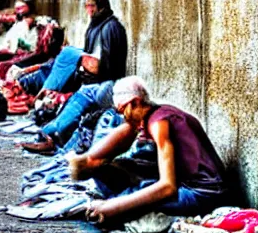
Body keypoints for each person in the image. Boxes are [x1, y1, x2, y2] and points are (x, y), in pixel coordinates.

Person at [70, 76, 228, 224]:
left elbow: (167, 187)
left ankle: (116, 204)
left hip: (204, 195)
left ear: (135, 102)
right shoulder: (156, 114)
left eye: (123, 111)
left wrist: (112, 207)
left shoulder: (159, 123)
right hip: (195, 188)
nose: (125, 118)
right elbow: (122, 138)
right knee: (110, 173)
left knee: (129, 199)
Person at [20, 0, 128, 153]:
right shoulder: (94, 27)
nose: (89, 10)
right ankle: (47, 137)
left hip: (106, 85)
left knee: (70, 55)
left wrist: (81, 60)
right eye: (86, 6)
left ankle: (52, 136)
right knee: (61, 120)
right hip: (90, 85)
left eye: (92, 5)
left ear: (101, 5)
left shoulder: (111, 27)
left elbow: (107, 68)